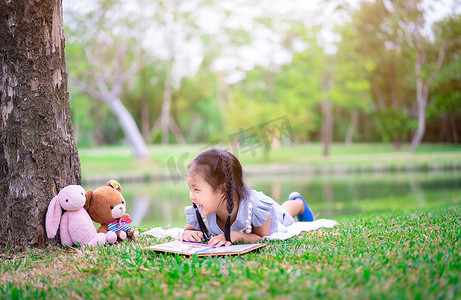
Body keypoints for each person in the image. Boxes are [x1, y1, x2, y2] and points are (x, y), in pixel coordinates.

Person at [181, 148, 314, 247]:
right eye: (190, 189)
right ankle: (296, 202)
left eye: (197, 190)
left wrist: (236, 235)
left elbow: (263, 238)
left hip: (269, 218)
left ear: (222, 189)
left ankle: (299, 204)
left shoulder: (254, 206)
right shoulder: (201, 208)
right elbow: (189, 229)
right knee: (283, 212)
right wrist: (189, 234)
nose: (191, 196)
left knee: (284, 216)